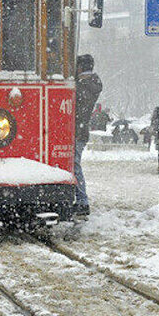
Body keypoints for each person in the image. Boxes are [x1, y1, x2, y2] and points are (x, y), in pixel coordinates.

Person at [73, 54, 102, 217]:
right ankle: (81, 199)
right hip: (81, 131)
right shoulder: (92, 85)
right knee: (75, 164)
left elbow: (79, 110)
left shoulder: (83, 86)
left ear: (80, 68)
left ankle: (82, 200)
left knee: (74, 165)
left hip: (78, 132)